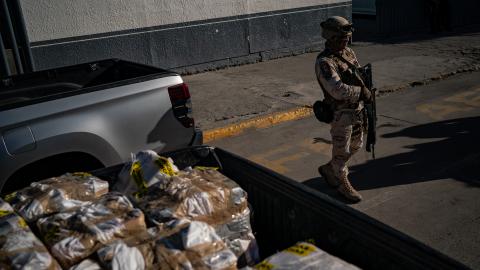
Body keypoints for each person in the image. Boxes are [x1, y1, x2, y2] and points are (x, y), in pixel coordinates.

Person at [315, 16, 372, 203]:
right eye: (341, 38)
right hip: (341, 114)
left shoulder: (348, 53)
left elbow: (357, 74)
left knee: (356, 144)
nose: (345, 41)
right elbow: (337, 90)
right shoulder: (324, 62)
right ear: (330, 37)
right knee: (342, 149)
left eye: (347, 38)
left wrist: (366, 91)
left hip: (357, 109)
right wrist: (361, 92)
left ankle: (330, 168)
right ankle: (341, 182)